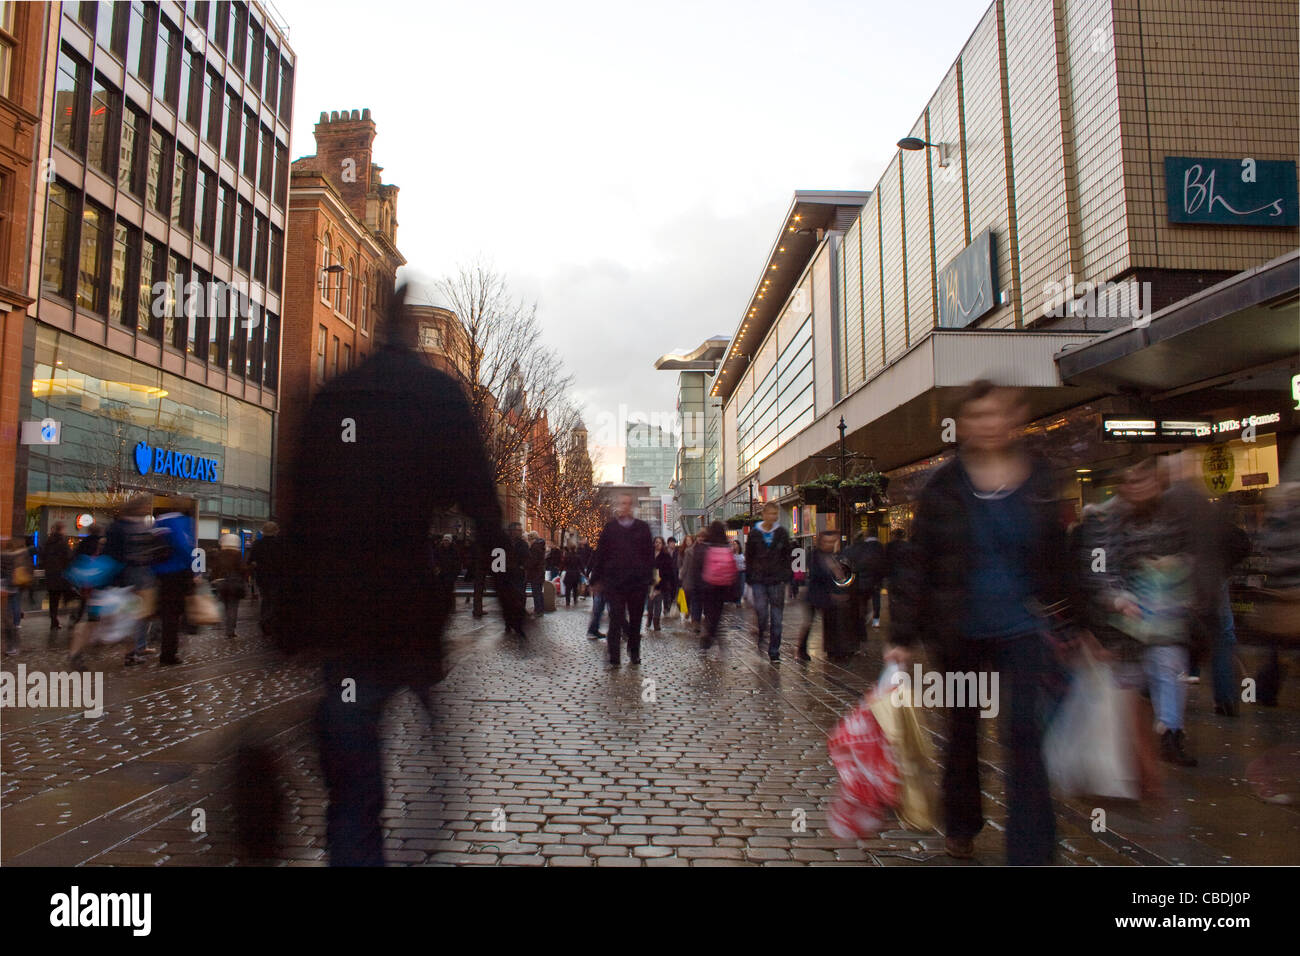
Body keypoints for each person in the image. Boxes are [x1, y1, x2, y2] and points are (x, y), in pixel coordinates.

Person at [279, 282, 525, 866]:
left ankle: (358, 843)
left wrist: (286, 621)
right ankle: (421, 830)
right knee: (433, 751)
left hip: (341, 618)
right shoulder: (437, 395)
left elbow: (299, 513)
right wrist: (513, 603)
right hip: (408, 615)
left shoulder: (335, 395)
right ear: (415, 336)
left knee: (352, 783)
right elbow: (485, 508)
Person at [887, 379, 1072, 866]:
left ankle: (1030, 852)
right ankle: (963, 822)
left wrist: (1081, 623)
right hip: (959, 632)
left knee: (1024, 737)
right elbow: (917, 562)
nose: (989, 425)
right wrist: (902, 636)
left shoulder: (1038, 479)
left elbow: (1059, 557)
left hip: (1023, 629)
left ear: (1015, 419)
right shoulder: (944, 486)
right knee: (963, 732)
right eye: (979, 416)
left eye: (998, 415)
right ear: (963, 425)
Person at [1089, 456, 1199, 767]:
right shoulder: (1107, 519)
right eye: (1133, 481)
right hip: (1124, 620)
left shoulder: (1173, 514)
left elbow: (1191, 549)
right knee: (1129, 685)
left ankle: (1171, 734)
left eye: (1146, 480)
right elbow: (1100, 567)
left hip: (1167, 613)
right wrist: (1118, 597)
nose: (1140, 487)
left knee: (1170, 670)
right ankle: (1127, 748)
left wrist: (1179, 567)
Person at [589, 492, 653, 667]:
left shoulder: (642, 528)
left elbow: (649, 556)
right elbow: (600, 555)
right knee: (616, 619)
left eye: (628, 503)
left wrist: (648, 579)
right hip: (615, 583)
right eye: (622, 503)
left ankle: (634, 651)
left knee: (635, 621)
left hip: (636, 584)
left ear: (632, 506)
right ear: (618, 506)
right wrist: (596, 579)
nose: (625, 506)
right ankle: (614, 656)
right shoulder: (610, 529)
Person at [104, 494, 164, 666]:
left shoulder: (130, 525)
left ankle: (135, 649)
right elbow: (135, 552)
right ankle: (133, 650)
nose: (147, 509)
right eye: (145, 506)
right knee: (136, 613)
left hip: (136, 576)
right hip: (136, 576)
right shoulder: (131, 527)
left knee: (138, 613)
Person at [745, 502, 793, 662]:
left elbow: (787, 557)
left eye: (776, 514)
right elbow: (749, 557)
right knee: (762, 612)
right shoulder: (754, 534)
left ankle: (774, 651)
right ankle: (761, 636)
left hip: (776, 580)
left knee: (777, 617)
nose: (773, 517)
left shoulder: (781, 533)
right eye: (771, 513)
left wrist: (786, 577)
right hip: (759, 579)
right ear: (764, 514)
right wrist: (749, 577)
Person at [799, 530, 854, 661]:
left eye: (832, 542)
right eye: (827, 542)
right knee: (810, 622)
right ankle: (801, 650)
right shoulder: (815, 555)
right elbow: (817, 574)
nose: (829, 544)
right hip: (816, 594)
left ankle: (834, 650)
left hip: (828, 595)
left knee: (832, 622)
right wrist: (833, 570)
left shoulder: (834, 556)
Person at [152, 511, 196, 667]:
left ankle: (165, 647)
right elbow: (183, 545)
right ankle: (169, 652)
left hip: (160, 574)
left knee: (166, 614)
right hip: (176, 573)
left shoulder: (159, 521)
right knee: (174, 615)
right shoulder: (180, 520)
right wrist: (191, 566)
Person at [697, 521, 738, 650]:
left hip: (708, 584)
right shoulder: (727, 547)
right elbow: (733, 568)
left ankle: (707, 633)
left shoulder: (706, 547)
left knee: (709, 611)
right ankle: (712, 632)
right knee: (717, 612)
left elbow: (699, 567)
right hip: (723, 585)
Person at [40, 522, 73, 638]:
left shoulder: (48, 542)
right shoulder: (63, 543)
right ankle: (72, 618)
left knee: (53, 600)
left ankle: (54, 621)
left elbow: (42, 556)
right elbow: (69, 558)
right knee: (69, 597)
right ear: (62, 529)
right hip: (62, 576)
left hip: (50, 575)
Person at [68, 524, 103, 625]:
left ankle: (78, 615)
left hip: (85, 573)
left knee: (84, 596)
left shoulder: (84, 542)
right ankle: (93, 616)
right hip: (98, 573)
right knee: (95, 595)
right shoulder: (101, 542)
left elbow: (76, 556)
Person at [644, 536, 676, 631]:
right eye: (656, 542)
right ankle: (649, 617)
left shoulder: (665, 556)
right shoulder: (648, 555)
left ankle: (656, 622)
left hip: (661, 582)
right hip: (650, 582)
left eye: (660, 542)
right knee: (650, 603)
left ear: (662, 544)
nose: (657, 544)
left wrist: (669, 583)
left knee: (658, 602)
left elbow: (669, 572)